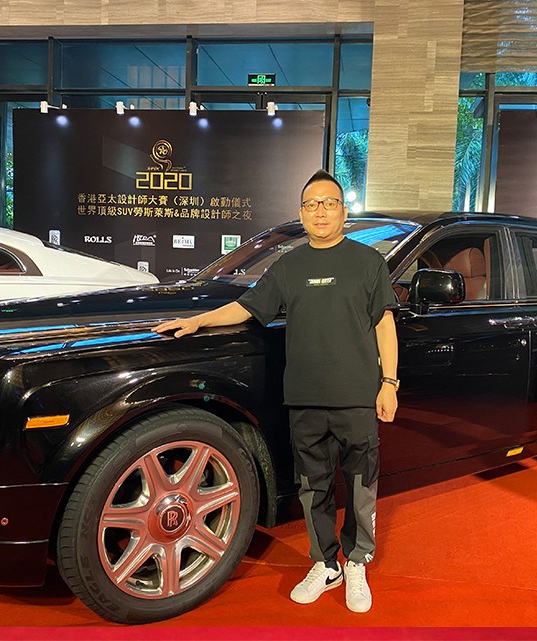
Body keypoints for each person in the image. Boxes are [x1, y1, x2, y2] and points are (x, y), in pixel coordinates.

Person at [153, 169, 398, 613]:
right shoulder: (289, 266)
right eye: (311, 204)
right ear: (301, 214)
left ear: (343, 212)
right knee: (313, 486)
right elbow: (246, 308)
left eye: (329, 203)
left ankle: (357, 560)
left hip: (357, 397)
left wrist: (389, 383)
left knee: (360, 484)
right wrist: (197, 321)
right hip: (304, 398)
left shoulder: (367, 262)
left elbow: (384, 324)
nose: (320, 211)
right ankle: (325, 563)